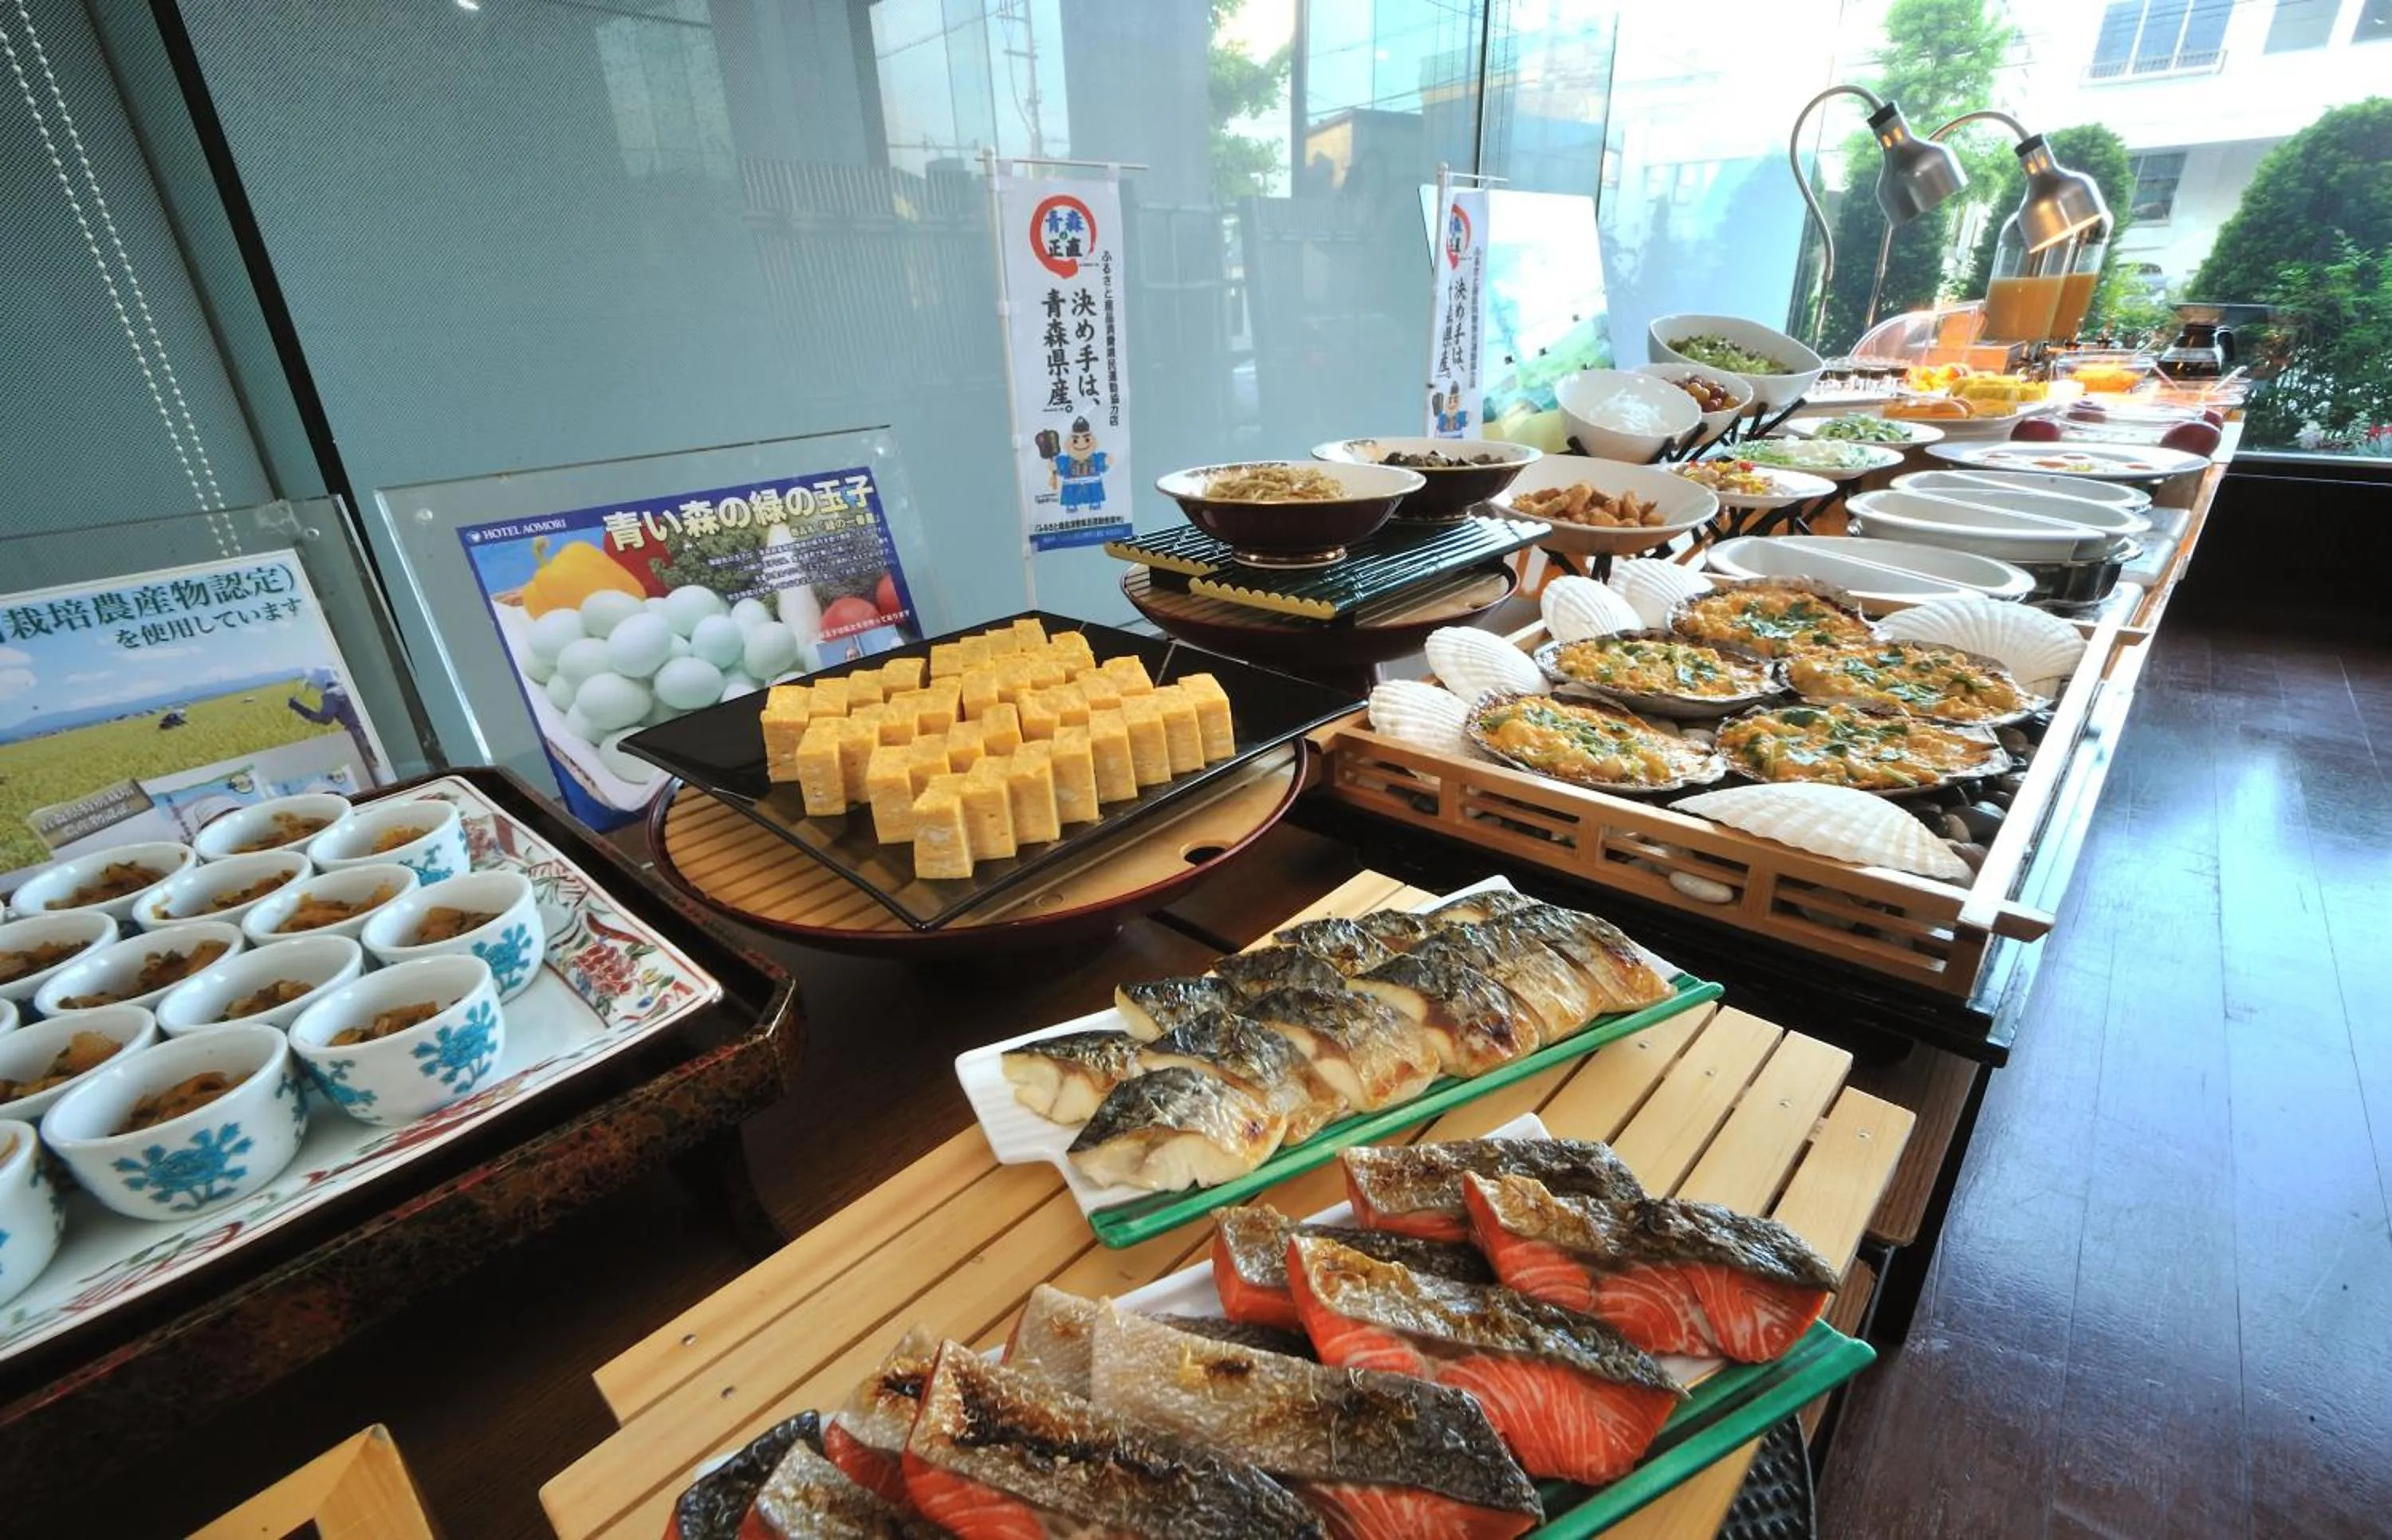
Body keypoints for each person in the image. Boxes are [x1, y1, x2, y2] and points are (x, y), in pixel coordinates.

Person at [287, 669, 378, 783]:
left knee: (373, 770)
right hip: (373, 729)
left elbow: (326, 719)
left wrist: (298, 707)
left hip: (358, 735)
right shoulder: (347, 687)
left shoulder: (330, 695)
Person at [1048, 417, 1110, 515]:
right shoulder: (1067, 460)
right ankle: (1072, 506)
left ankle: (1094, 504)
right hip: (1072, 483)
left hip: (1092, 482)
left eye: (1086, 439)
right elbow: (1061, 467)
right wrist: (1056, 466)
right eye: (1076, 440)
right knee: (1071, 496)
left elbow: (1102, 463)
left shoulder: (1095, 458)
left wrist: (1106, 461)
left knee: (1093, 494)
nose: (1081, 444)